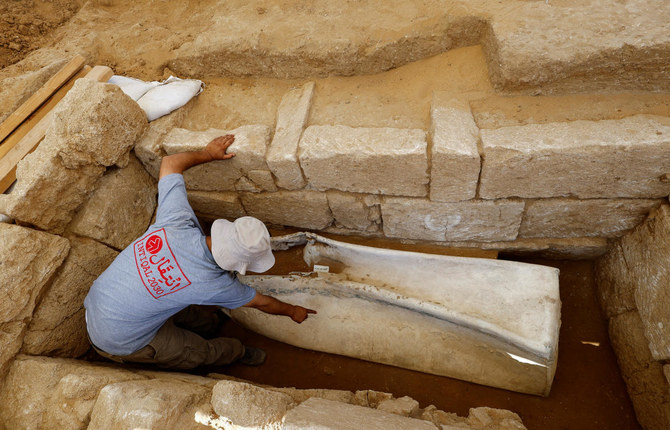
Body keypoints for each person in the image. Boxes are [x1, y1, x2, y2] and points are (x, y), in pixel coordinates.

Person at [84, 134, 316, 369]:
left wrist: (208, 154)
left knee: (179, 300)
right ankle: (237, 351)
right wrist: (293, 311)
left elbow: (170, 163)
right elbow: (262, 303)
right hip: (120, 339)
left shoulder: (175, 221)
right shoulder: (212, 284)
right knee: (196, 352)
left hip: (101, 300)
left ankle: (209, 323)